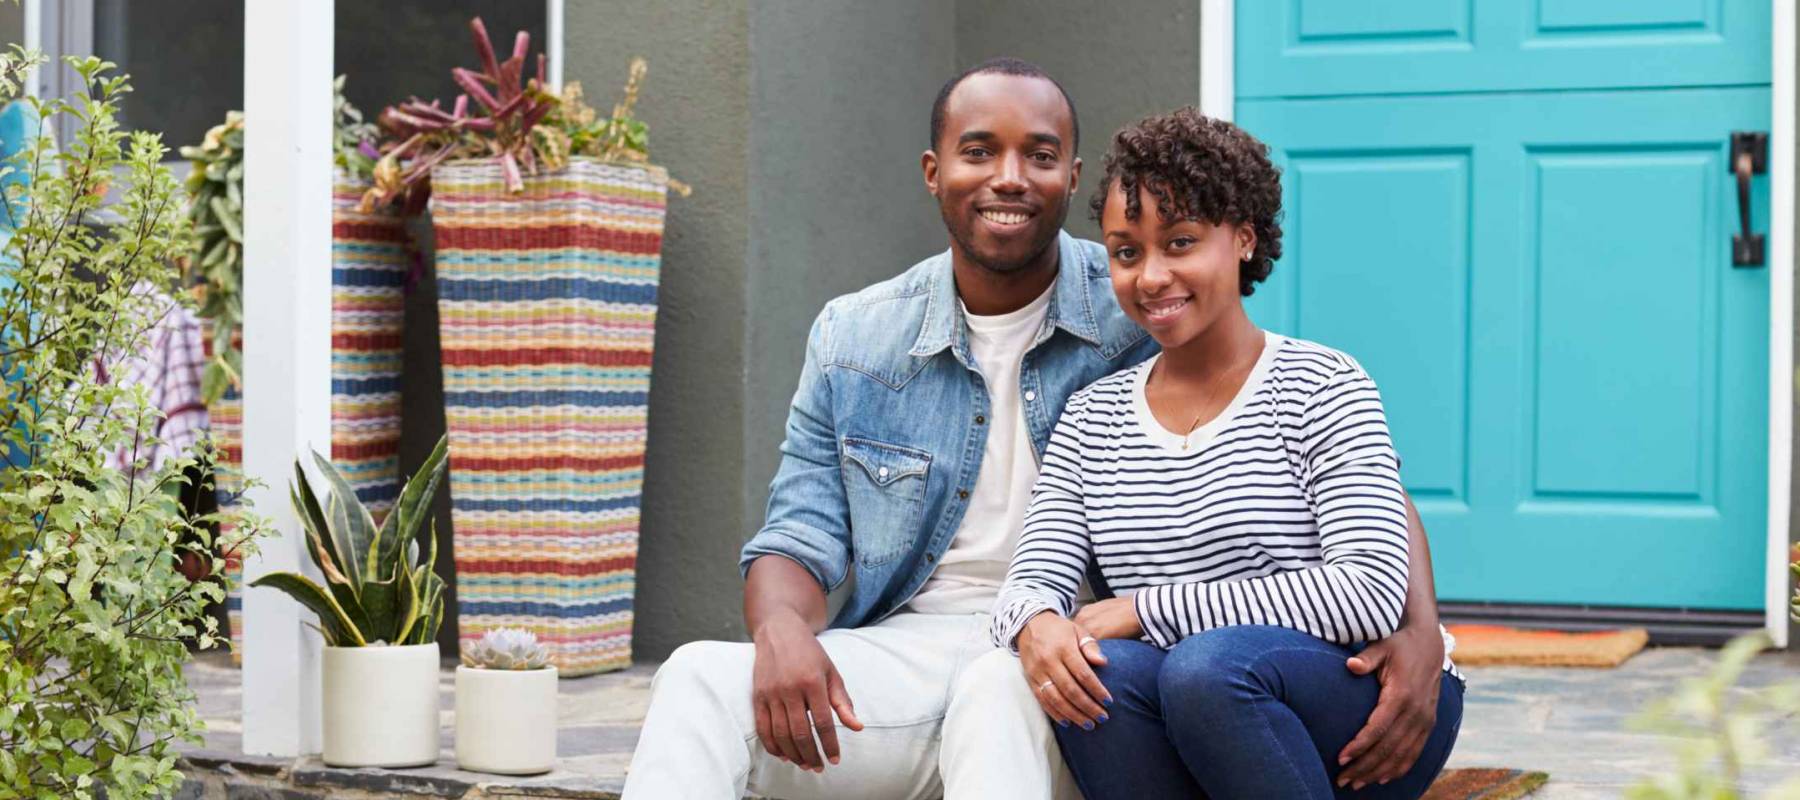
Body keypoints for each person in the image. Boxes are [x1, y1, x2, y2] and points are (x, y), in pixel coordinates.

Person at [623, 59, 1450, 800]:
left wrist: (1417, 632)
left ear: (1072, 176)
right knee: (697, 676)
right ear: (933, 169)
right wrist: (780, 633)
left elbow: (1362, 494)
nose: (1008, 179)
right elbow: (799, 528)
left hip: (1094, 662)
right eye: (979, 151)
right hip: (949, 646)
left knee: (1027, 683)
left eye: (1040, 156)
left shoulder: (1149, 309)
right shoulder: (859, 335)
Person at [992, 107, 1464, 800]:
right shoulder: (1093, 417)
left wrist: (1146, 611)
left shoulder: (1324, 385)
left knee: (1206, 669)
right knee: (1098, 676)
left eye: (1180, 242)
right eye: (1126, 252)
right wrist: (1034, 624)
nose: (1151, 276)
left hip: (1357, 701)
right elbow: (1034, 576)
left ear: (1243, 238)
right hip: (1194, 706)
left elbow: (1367, 593)